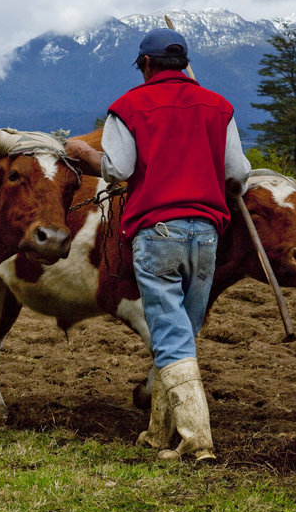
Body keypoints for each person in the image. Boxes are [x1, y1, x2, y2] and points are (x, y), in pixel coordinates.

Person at [66, 28, 251, 463]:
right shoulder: (220, 107)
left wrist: (85, 153)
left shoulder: (128, 107)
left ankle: (197, 442)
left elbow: (118, 168)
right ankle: (157, 433)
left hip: (157, 233)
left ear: (145, 65)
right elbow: (238, 176)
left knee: (170, 338)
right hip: (207, 234)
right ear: (184, 64)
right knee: (184, 331)